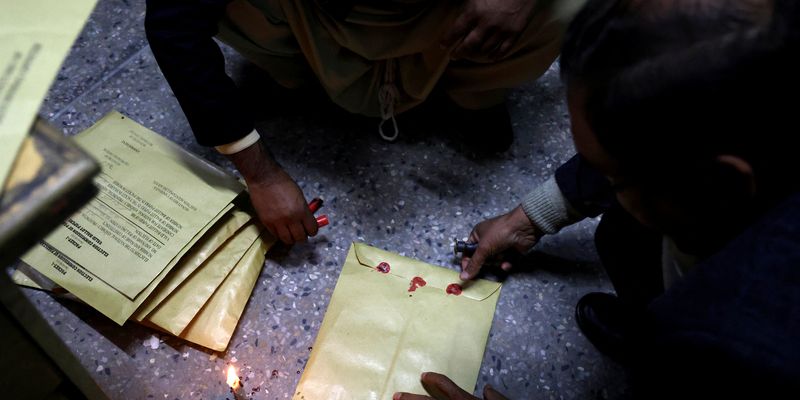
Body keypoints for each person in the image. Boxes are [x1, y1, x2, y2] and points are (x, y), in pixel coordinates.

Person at [393, 0, 800, 400]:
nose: (602, 178)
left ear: (717, 185)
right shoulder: (763, 90)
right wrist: (529, 218)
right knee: (625, 233)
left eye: (614, 175)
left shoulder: (740, 342)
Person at [145, 0, 587, 245]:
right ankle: (306, 73)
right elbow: (172, 22)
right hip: (313, 14)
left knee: (560, 9)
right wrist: (258, 172)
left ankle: (474, 92)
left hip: (446, 13)